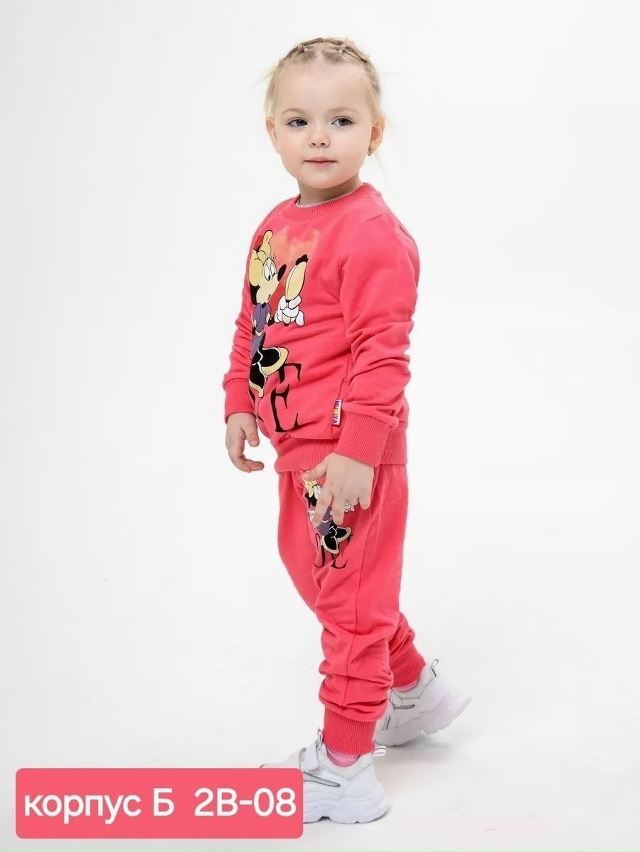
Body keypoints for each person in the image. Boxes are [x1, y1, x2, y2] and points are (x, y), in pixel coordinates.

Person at [222, 36, 470, 824]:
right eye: (300, 121)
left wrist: (358, 453)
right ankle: (414, 692)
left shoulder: (372, 234)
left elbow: (383, 352)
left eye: (341, 120)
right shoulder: (275, 227)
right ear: (273, 132)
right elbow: (254, 322)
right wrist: (237, 399)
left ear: (375, 131)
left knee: (350, 609)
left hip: (348, 458)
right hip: (297, 453)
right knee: (331, 586)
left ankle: (344, 768)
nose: (320, 137)